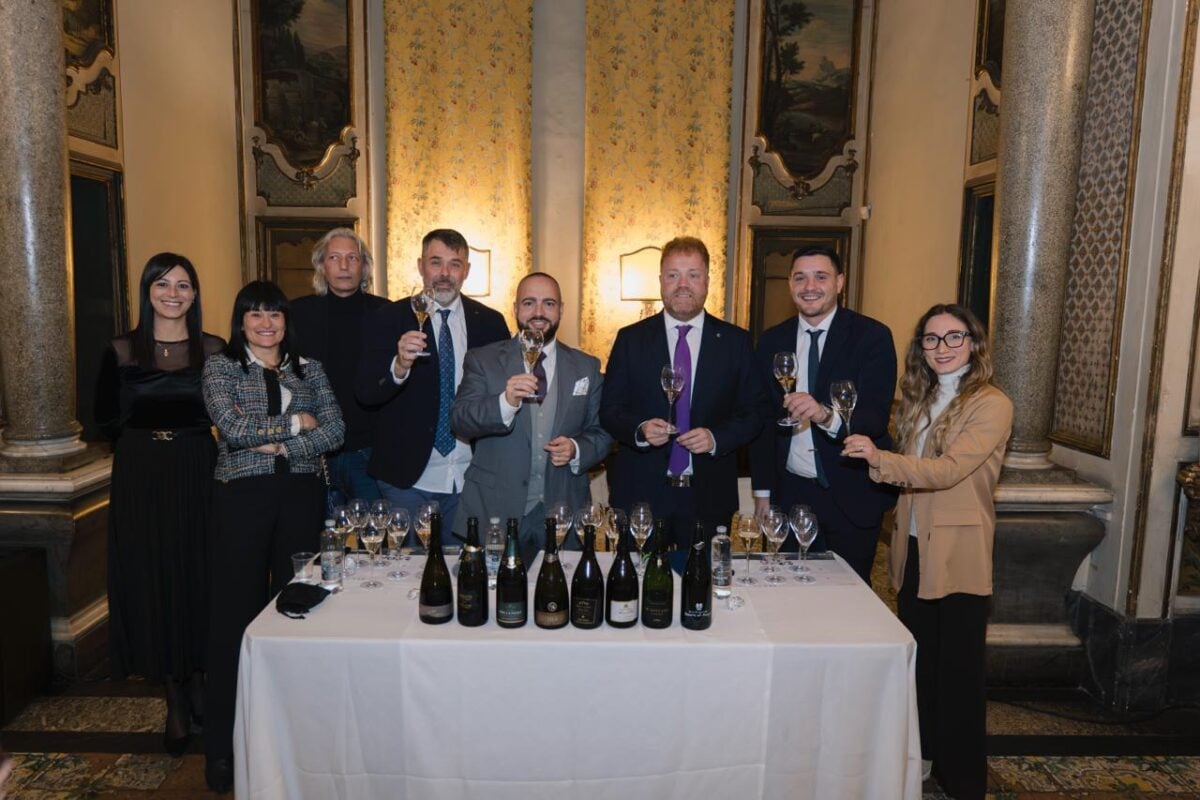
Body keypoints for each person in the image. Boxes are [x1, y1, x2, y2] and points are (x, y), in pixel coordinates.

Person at [843, 303, 1012, 800]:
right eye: (931, 339)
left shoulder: (991, 404)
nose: (942, 347)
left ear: (974, 344)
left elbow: (948, 470)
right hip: (912, 545)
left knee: (959, 674)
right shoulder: (920, 398)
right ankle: (923, 759)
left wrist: (880, 458)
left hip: (959, 551)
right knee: (921, 665)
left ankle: (964, 782)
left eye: (954, 337)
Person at [201, 281, 344, 793]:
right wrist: (297, 424)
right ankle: (223, 747)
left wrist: (278, 443)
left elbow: (336, 431)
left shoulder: (310, 369)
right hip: (242, 499)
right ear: (240, 321)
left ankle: (294, 740)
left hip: (301, 496)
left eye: (275, 315)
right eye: (256, 315)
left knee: (296, 609)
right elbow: (232, 429)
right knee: (234, 617)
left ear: (286, 321)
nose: (266, 324)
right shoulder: (220, 367)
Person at [94, 253, 224, 757]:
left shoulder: (214, 349)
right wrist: (145, 444)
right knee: (154, 574)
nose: (174, 294)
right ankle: (173, 692)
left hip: (197, 467)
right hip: (141, 474)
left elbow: (229, 411)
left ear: (195, 293)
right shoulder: (121, 350)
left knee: (198, 571)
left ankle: (199, 679)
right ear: (147, 291)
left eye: (184, 285)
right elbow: (103, 419)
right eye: (163, 284)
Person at [600, 236, 768, 548]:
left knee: (702, 578)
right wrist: (640, 429)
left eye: (693, 274)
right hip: (641, 494)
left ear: (707, 281)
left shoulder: (736, 342)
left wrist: (716, 437)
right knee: (640, 577)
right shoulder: (630, 339)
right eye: (673, 275)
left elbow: (756, 412)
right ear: (660, 281)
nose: (682, 284)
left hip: (708, 496)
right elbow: (609, 409)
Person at [750, 245, 898, 584]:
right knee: (787, 593)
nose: (809, 287)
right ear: (790, 284)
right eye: (800, 278)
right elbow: (763, 422)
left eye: (821, 277)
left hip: (852, 494)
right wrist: (763, 493)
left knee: (849, 598)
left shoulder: (872, 337)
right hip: (791, 495)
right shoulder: (772, 341)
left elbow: (874, 417)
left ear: (840, 282)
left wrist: (825, 416)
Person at [356, 229, 509, 535]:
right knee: (407, 566)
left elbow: (501, 396)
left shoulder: (490, 322)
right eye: (436, 262)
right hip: (405, 478)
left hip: (469, 477)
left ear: (466, 271)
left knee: (463, 563)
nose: (444, 274)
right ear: (420, 265)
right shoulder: (388, 317)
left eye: (455, 264)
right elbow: (366, 392)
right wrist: (399, 366)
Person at [451, 272, 612, 563]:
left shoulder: (586, 367)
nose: (539, 312)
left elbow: (602, 433)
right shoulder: (483, 360)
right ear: (515, 308)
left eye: (548, 303)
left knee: (561, 590)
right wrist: (505, 402)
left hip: (563, 510)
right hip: (495, 510)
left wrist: (576, 449)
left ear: (561, 309)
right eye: (529, 303)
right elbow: (460, 419)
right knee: (493, 590)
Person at [290, 228, 389, 505]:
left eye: (352, 258)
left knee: (375, 530)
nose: (344, 266)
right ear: (321, 265)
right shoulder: (296, 314)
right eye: (334, 257)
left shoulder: (387, 313)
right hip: (314, 450)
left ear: (365, 266)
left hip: (370, 452)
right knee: (317, 530)